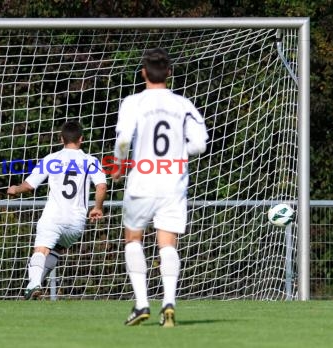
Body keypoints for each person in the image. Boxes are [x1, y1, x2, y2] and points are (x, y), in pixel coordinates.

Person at [111, 48, 208, 327]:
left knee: (133, 239)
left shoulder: (133, 102)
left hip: (142, 179)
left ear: (143, 72)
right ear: (169, 73)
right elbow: (200, 143)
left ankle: (141, 303)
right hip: (173, 182)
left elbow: (123, 138)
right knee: (167, 244)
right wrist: (179, 154)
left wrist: (118, 165)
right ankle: (169, 302)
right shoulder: (183, 104)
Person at [7, 120, 107, 300]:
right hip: (76, 222)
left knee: (41, 250)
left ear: (61, 139)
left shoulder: (51, 159)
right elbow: (101, 187)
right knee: (56, 250)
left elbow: (29, 186)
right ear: (81, 139)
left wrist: (15, 189)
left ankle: (34, 283)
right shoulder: (90, 161)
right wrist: (97, 207)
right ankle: (33, 288)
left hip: (53, 217)